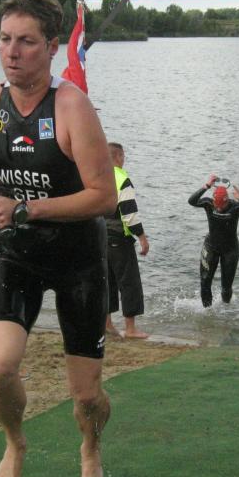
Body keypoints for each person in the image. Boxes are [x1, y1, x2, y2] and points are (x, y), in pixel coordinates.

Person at [0, 0, 117, 477]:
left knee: (86, 396)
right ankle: (15, 442)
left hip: (78, 259)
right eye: (4, 40)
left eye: (26, 41)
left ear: (52, 47)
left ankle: (90, 445)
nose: (12, 52)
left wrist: (24, 208)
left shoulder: (71, 107)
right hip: (18, 252)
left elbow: (104, 197)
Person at [188, 175, 239, 307]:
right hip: (211, 247)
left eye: (222, 205)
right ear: (214, 201)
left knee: (226, 288)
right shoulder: (208, 203)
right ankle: (207, 313)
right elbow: (191, 201)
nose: (219, 208)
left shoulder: (235, 206)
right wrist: (206, 186)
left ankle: (226, 310)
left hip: (230, 250)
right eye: (217, 206)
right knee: (205, 283)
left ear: (227, 201)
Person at [105, 142, 149, 339]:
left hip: (100, 237)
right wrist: (142, 237)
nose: (124, 160)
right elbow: (129, 214)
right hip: (118, 238)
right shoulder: (122, 179)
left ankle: (107, 324)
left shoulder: (99, 176)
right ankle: (130, 329)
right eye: (123, 156)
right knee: (129, 283)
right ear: (118, 157)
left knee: (107, 281)